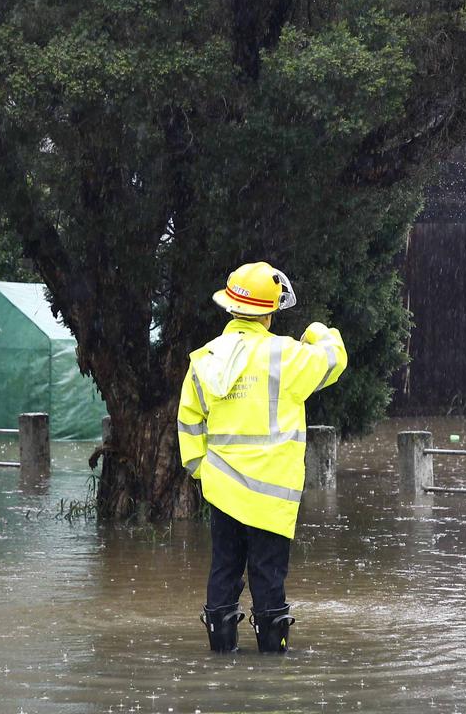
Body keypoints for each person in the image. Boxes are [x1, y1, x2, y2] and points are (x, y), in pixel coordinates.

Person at [177, 261, 348, 654]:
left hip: (222, 489)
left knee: (224, 570)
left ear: (231, 307)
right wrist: (319, 331)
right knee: (268, 576)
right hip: (271, 494)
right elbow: (335, 359)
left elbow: (188, 421)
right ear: (269, 312)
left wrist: (201, 471)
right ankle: (272, 668)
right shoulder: (285, 356)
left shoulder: (205, 358)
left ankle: (221, 656)